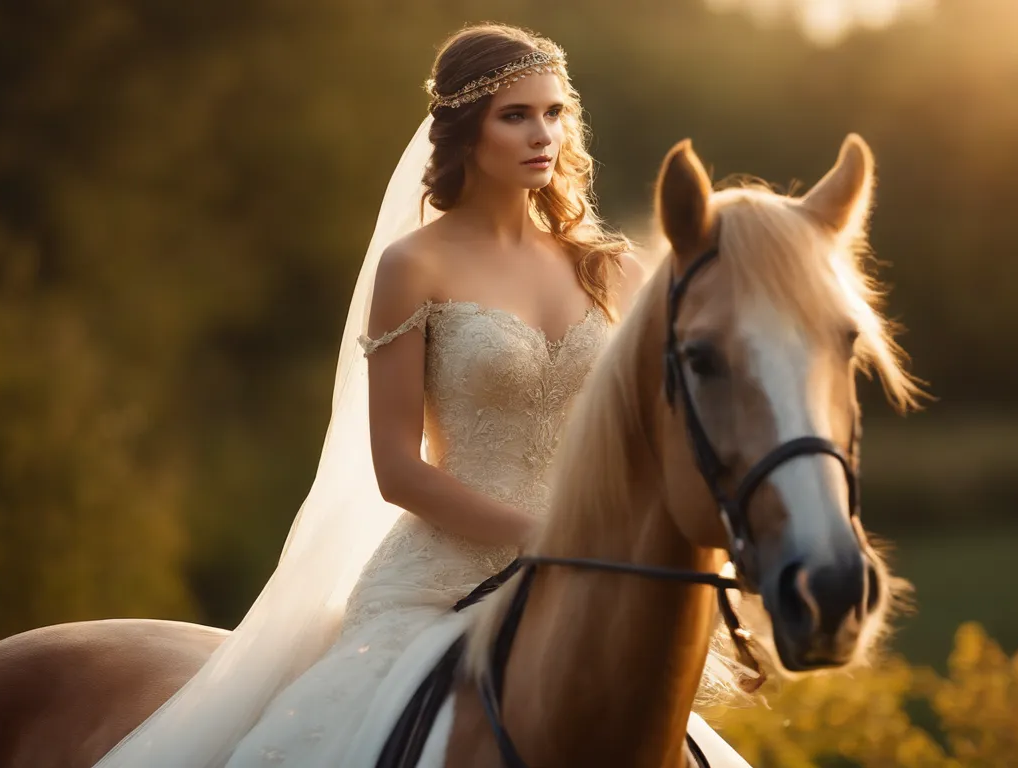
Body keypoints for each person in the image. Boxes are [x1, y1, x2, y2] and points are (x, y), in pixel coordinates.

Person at [92, 22, 720, 767]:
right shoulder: (413, 267)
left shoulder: (612, 269)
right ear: (463, 132)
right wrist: (543, 534)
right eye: (514, 115)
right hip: (438, 586)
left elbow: (656, 437)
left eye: (554, 113)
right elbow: (397, 467)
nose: (541, 134)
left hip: (588, 582)